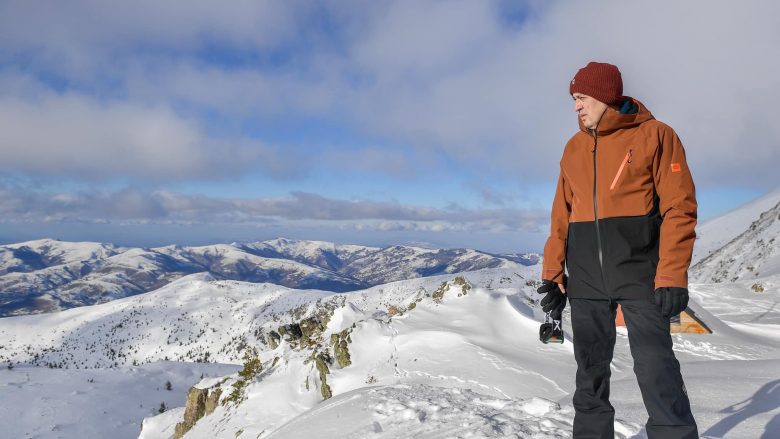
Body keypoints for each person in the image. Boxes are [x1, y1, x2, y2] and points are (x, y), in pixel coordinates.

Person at [537, 61, 699, 438]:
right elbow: (561, 215)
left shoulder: (656, 135)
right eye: (573, 99)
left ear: (606, 96)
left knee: (657, 371)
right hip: (587, 282)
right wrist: (552, 273)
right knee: (589, 376)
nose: (575, 106)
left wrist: (672, 274)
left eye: (581, 98)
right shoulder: (574, 147)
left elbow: (680, 207)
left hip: (641, 274)